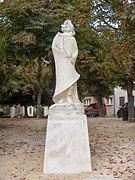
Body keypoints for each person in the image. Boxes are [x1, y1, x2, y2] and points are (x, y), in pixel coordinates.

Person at [52, 20, 81, 105]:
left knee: (71, 79)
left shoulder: (72, 39)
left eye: (67, 26)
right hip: (61, 62)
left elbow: (76, 50)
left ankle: (69, 96)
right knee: (62, 80)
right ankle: (62, 97)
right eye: (64, 26)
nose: (65, 27)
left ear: (70, 28)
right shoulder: (59, 37)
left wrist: (73, 57)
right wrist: (61, 52)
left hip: (69, 62)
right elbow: (54, 47)